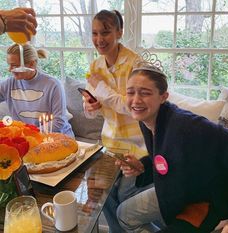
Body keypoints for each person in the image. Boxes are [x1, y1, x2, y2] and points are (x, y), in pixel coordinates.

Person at [115, 62, 228, 233]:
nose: (135, 100)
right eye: (130, 92)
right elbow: (165, 156)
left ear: (163, 97)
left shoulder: (187, 126)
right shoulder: (148, 121)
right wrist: (143, 166)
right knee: (124, 214)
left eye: (145, 93)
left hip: (204, 201)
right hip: (174, 191)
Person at [83, 10, 151, 232]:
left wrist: (101, 89)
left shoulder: (135, 63)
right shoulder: (95, 67)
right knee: (104, 195)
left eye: (105, 32)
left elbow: (134, 107)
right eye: (94, 33)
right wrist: (90, 106)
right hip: (110, 144)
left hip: (137, 146)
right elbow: (93, 111)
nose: (99, 39)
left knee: (124, 197)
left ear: (119, 32)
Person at [0, 43, 74, 137]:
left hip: (56, 137)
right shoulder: (9, 84)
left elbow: (59, 122)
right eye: (9, 65)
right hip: (28, 138)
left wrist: (31, 134)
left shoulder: (53, 85)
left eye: (14, 66)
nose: (10, 69)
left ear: (31, 64)